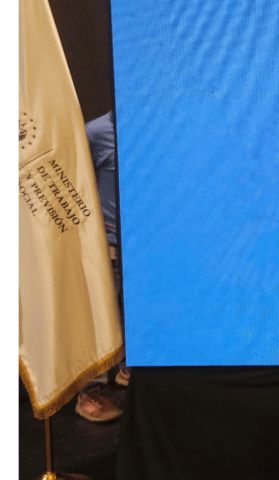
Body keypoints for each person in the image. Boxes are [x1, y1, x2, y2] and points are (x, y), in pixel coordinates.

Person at [75, 111, 129, 423]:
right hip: (104, 242)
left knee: (135, 310)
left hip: (140, 243)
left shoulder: (146, 125)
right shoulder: (96, 132)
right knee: (98, 315)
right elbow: (77, 187)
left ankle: (127, 368)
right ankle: (90, 392)